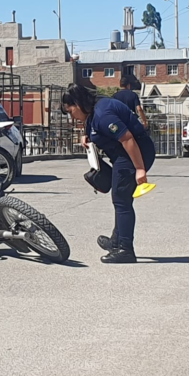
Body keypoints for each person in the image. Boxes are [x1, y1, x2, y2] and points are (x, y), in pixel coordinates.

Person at [63, 84, 156, 263]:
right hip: (123, 155)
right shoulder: (95, 109)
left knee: (121, 200)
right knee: (120, 198)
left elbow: (127, 138)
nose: (71, 116)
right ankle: (116, 241)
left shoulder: (103, 115)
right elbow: (92, 123)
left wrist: (139, 169)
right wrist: (86, 135)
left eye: (70, 111)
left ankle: (125, 249)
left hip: (134, 154)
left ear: (78, 104)